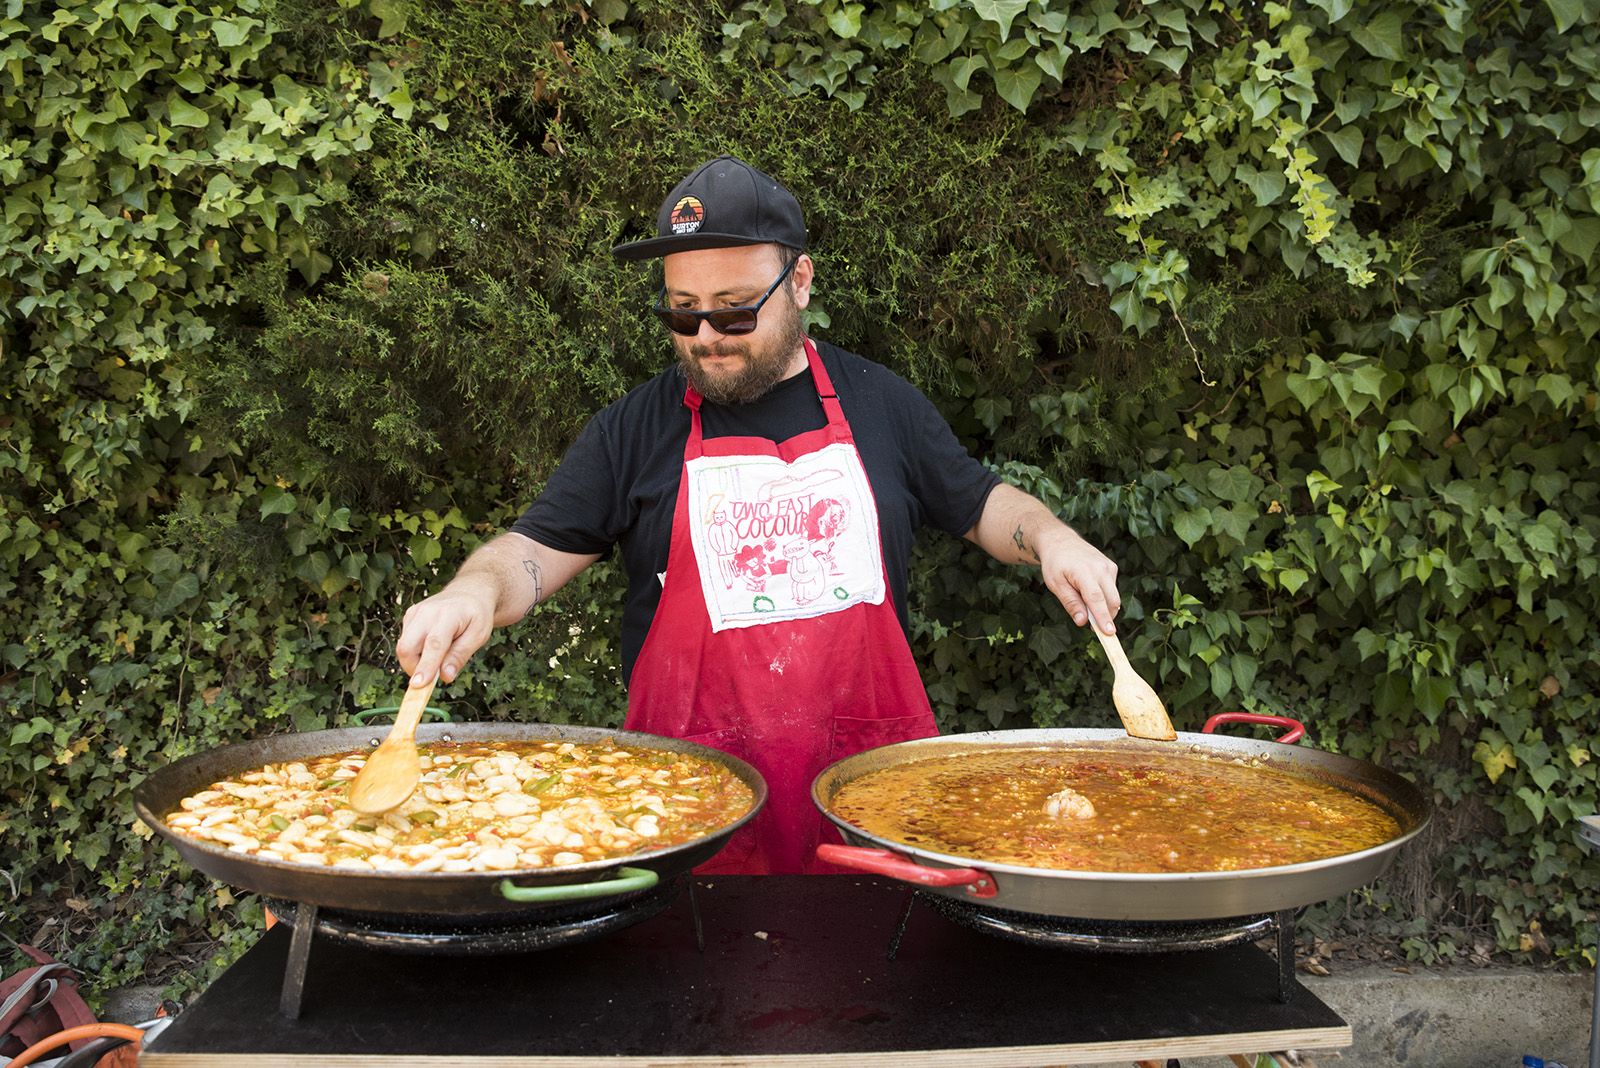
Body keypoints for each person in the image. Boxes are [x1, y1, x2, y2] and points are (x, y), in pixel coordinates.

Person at [395, 156, 1123, 873]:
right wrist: (474, 591)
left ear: (799, 282)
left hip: (870, 796)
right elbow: (531, 552)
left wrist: (1051, 537)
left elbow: (981, 504)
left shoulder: (881, 403)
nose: (706, 335)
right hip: (685, 813)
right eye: (682, 310)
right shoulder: (634, 429)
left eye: (736, 308)